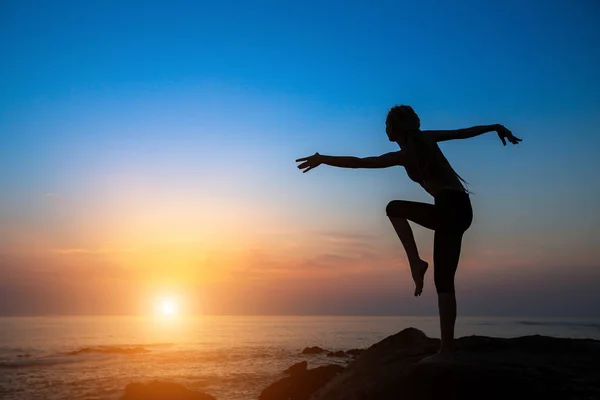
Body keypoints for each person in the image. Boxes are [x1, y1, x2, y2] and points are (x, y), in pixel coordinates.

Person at [295, 105, 522, 362]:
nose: (384, 129)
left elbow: (360, 163)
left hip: (449, 208)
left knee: (394, 209)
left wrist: (323, 158)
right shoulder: (426, 138)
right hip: (460, 210)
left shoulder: (406, 154)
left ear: (394, 128)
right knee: (444, 281)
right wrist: (495, 127)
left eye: (386, 125)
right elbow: (461, 133)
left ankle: (416, 264)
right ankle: (446, 350)